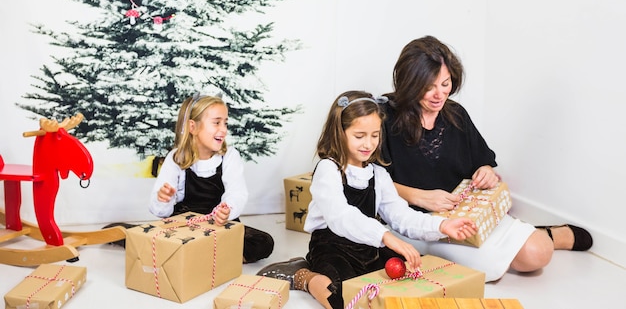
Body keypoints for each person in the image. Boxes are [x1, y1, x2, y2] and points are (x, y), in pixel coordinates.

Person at [380, 35, 593, 282]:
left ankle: (547, 236)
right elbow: (369, 182)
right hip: (415, 222)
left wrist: (485, 170)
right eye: (429, 87)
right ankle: (537, 235)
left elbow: (482, 161)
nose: (440, 95)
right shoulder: (384, 118)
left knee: (538, 253)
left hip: (465, 213)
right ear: (409, 83)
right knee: (512, 263)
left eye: (446, 84)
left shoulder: (455, 114)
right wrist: (419, 196)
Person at [256, 90, 478, 309]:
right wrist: (385, 235)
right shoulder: (328, 169)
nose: (368, 144)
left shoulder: (378, 174)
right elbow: (340, 216)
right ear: (340, 132)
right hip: (331, 247)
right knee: (341, 299)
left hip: (368, 245)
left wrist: (442, 225)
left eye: (375, 135)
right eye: (359, 136)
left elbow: (401, 215)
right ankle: (303, 276)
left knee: (413, 277)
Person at [148, 94, 274, 263]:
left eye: (225, 123)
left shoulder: (229, 156)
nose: (223, 129)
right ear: (193, 127)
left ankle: (196, 256)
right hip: (186, 226)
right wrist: (163, 199)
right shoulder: (176, 158)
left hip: (217, 225)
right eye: (216, 122)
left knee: (263, 242)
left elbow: (237, 192)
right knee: (168, 239)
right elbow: (161, 211)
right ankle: (209, 255)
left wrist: (227, 210)